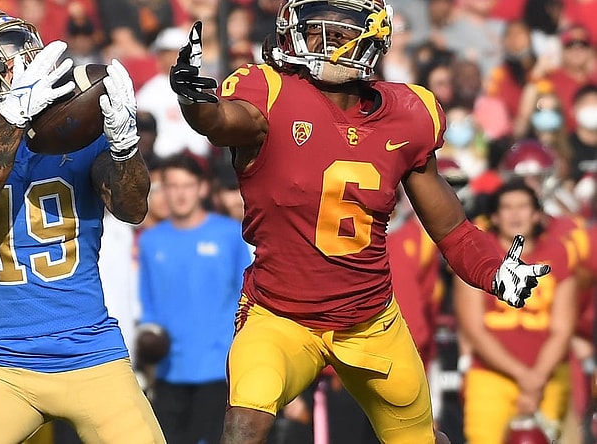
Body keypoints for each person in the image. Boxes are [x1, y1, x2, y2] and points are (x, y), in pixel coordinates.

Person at [168, 1, 551, 442]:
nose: (320, 39)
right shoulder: (269, 90)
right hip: (280, 315)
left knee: (423, 439)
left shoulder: (409, 112)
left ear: (372, 38)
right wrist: (197, 103)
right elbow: (223, 121)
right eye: (313, 29)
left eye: (336, 30)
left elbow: (452, 230)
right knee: (244, 422)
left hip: (371, 321)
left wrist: (494, 269)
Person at [0, 6, 164, 444]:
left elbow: (132, 207)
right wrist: (14, 119)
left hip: (93, 356)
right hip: (6, 365)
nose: (23, 58)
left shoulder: (74, 131)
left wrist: (125, 148)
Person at [137, 154, 253, 444]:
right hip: (168, 371)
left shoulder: (230, 235)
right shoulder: (151, 242)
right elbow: (147, 305)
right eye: (172, 186)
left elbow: (249, 298)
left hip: (218, 369)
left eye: (187, 185)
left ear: (201, 188)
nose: (180, 193)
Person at [454, 181, 577, 444]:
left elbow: (563, 327)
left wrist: (536, 379)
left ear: (537, 214)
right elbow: (474, 328)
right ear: (495, 217)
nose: (515, 214)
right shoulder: (479, 256)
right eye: (507, 208)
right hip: (491, 376)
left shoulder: (559, 254)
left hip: (548, 374)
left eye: (522, 207)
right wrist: (525, 377)